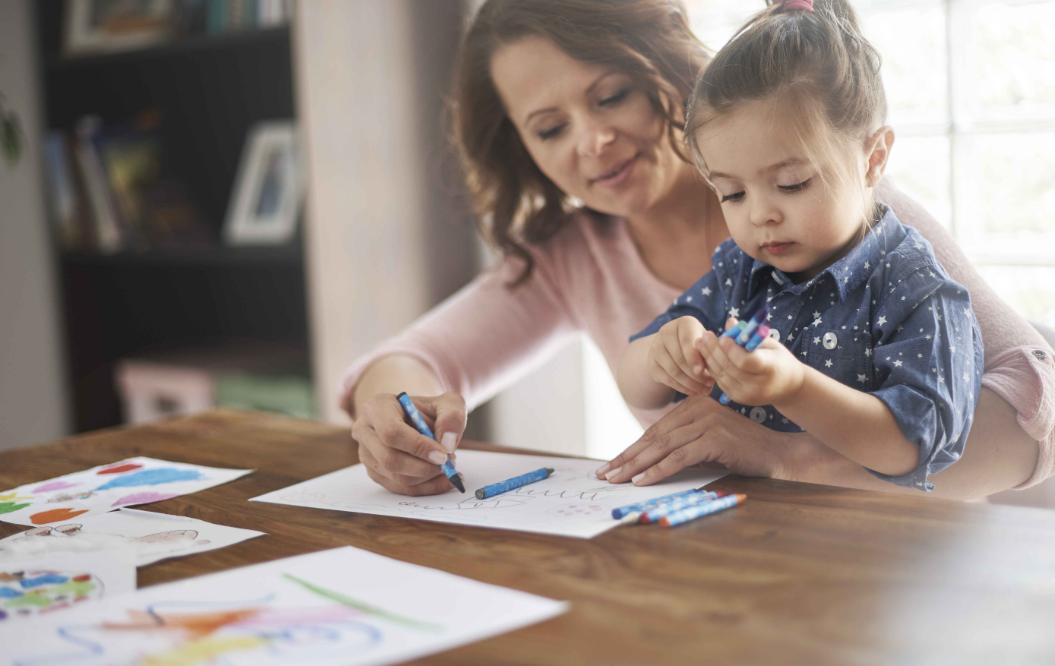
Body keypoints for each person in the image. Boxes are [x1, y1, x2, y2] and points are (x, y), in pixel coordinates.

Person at [341, 0, 1054, 499]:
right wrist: (392, 418)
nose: (592, 141)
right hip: (737, 573)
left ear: (666, 66)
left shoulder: (853, 221)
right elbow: (412, 361)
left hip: (902, 569)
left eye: (612, 94)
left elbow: (1034, 419)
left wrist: (782, 456)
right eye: (549, 128)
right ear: (521, 149)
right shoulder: (582, 254)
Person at [616, 0, 982, 492]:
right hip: (742, 528)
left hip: (867, 545)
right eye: (732, 193)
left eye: (791, 184)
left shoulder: (913, 288)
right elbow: (633, 377)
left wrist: (795, 387)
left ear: (873, 159)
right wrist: (662, 354)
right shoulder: (741, 271)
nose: (759, 214)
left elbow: (914, 446)